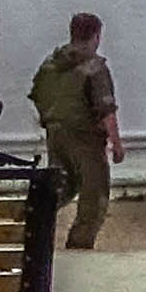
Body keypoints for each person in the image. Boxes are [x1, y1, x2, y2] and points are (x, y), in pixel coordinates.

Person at [25, 13, 122, 250]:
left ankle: (29, 222)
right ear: (96, 36)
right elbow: (105, 109)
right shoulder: (94, 67)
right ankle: (80, 244)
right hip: (86, 138)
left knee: (62, 186)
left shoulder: (50, 64)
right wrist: (116, 143)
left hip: (56, 135)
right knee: (94, 193)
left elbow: (37, 95)